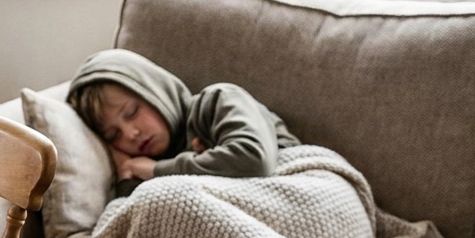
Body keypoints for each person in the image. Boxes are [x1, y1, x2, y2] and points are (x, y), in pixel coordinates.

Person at [66, 48, 301, 196]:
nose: (131, 133)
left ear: (156, 91)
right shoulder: (147, 164)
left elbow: (253, 160)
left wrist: (155, 171)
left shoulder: (217, 102)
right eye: (113, 135)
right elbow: (131, 214)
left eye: (131, 112)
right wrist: (125, 168)